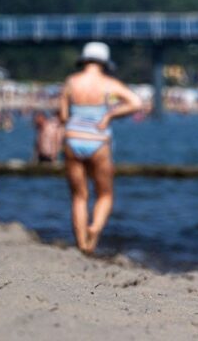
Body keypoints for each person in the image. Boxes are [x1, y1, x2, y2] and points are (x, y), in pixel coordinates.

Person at [59, 42, 142, 255]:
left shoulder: (71, 82)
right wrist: (109, 114)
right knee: (104, 194)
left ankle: (81, 244)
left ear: (84, 60)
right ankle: (94, 230)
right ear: (104, 63)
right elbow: (136, 102)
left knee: (79, 196)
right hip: (98, 139)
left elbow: (63, 116)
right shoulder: (109, 83)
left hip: (73, 137)